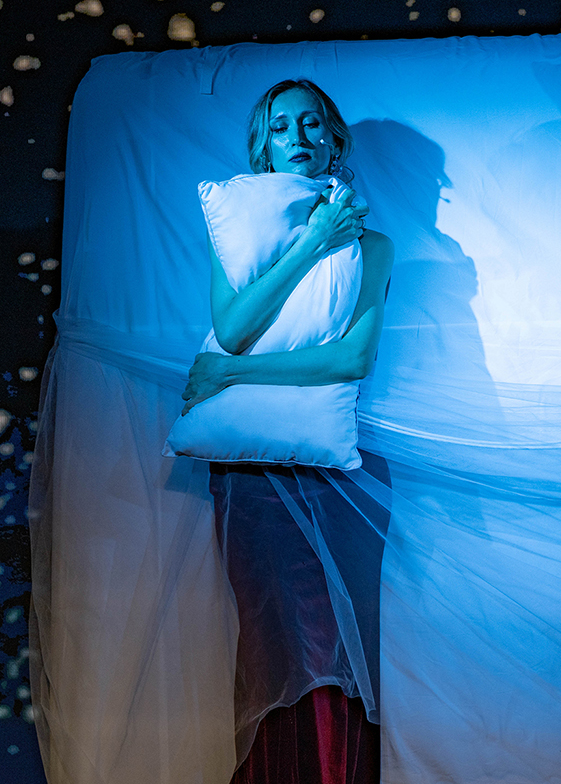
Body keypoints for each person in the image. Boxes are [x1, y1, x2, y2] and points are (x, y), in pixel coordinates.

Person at [182, 79, 394, 784]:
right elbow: (233, 328)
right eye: (280, 127)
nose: (297, 137)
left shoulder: (375, 247)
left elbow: (351, 359)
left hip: (338, 484)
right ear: (263, 150)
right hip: (250, 482)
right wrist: (312, 243)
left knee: (337, 650)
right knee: (268, 647)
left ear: (333, 139)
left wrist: (232, 376)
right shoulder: (236, 242)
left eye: (311, 123)